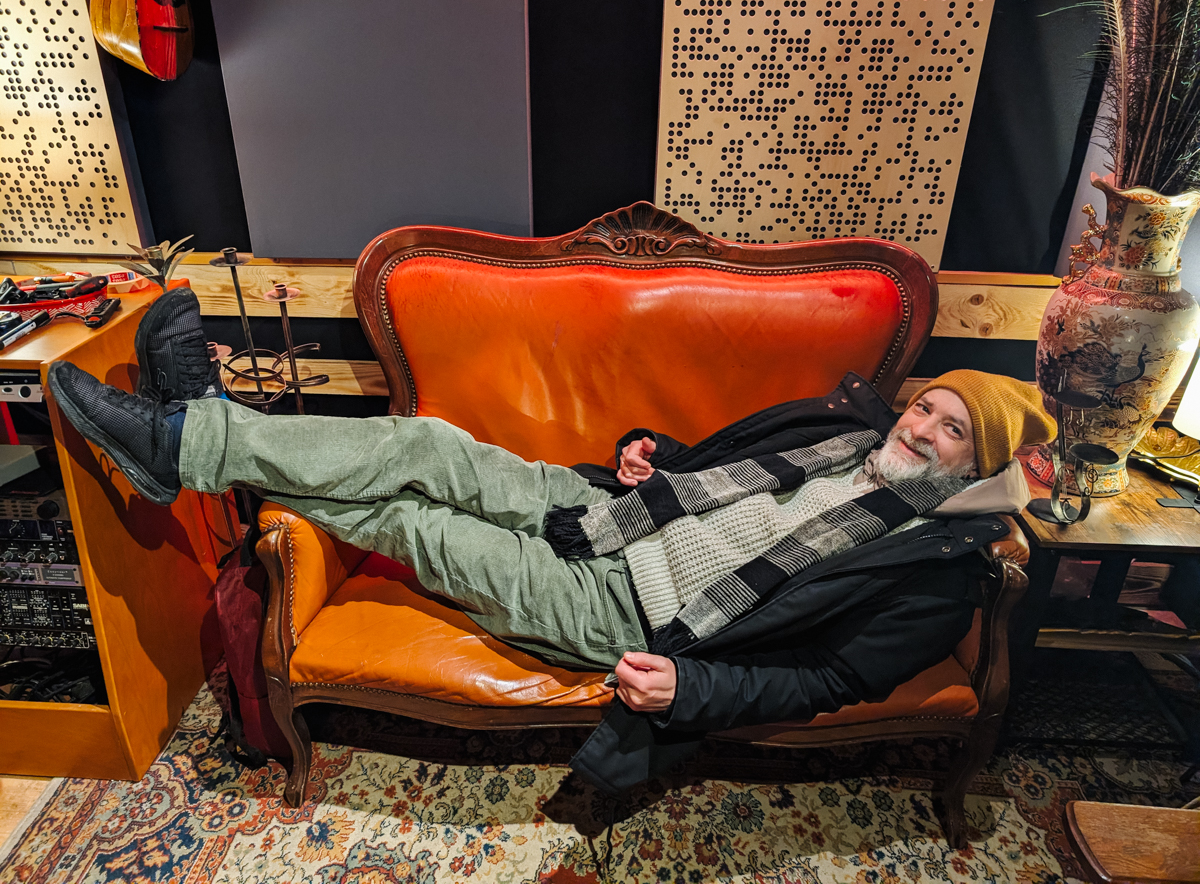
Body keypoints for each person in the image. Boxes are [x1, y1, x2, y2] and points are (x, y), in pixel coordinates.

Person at [47, 288, 1055, 792]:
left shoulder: (939, 570)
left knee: (410, 520)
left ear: (974, 466)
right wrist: (648, 454)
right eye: (927, 407)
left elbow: (826, 678)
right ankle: (198, 431)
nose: (919, 428)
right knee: (425, 443)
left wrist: (691, 689)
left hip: (625, 609)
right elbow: (719, 465)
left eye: (950, 431)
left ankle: (191, 435)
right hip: (608, 510)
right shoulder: (845, 436)